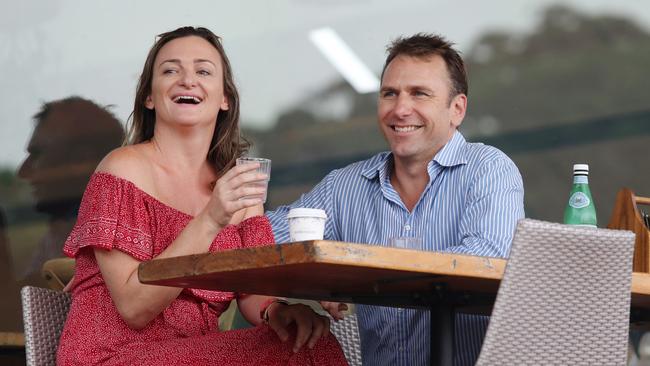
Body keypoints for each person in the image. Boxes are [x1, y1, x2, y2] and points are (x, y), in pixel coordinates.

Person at [57, 26, 348, 366]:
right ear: (150, 97)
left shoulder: (237, 188)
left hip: (195, 353)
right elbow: (134, 307)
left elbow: (252, 292)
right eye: (170, 70)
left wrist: (276, 311)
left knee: (308, 342)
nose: (187, 80)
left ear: (224, 98)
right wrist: (210, 219)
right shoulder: (121, 170)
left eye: (203, 70)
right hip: (112, 355)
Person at [267, 33, 525, 366]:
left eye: (419, 93)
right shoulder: (344, 186)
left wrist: (354, 274)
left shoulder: (488, 169)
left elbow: (486, 261)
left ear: (457, 109)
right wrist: (315, 279)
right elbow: (265, 241)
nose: (401, 109)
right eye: (390, 94)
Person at [17, 96, 125, 286]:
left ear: (82, 160)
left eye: (37, 154)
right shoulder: (60, 229)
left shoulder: (119, 230)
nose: (23, 172)